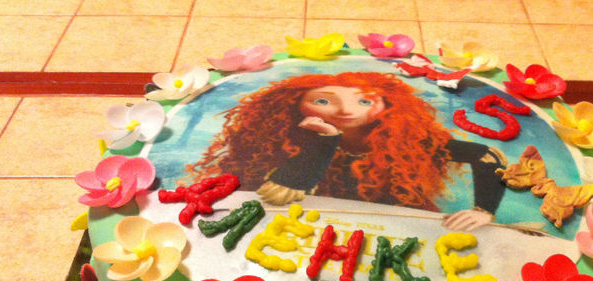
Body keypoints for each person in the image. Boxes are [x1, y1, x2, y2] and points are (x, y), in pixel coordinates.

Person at [188, 71, 508, 230]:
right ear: (293, 105)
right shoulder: (287, 138)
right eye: (323, 100)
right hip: (318, 227)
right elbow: (277, 193)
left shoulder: (406, 138)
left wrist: (484, 209)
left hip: (403, 228)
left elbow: (487, 155)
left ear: (388, 104)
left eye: (365, 100)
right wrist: (325, 142)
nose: (345, 110)